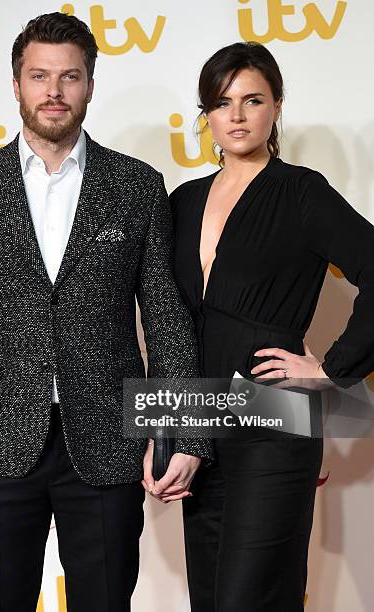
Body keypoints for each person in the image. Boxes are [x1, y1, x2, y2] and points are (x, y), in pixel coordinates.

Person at [0, 12, 211, 612]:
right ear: (17, 84)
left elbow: (165, 318)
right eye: (39, 76)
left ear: (90, 84)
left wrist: (185, 430)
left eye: (69, 77)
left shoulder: (136, 185)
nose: (54, 92)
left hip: (107, 445)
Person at [164, 41, 374, 611]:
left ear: (276, 107)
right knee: (207, 597)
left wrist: (331, 369)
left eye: (251, 100)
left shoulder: (301, 192)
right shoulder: (181, 201)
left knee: (250, 598)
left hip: (275, 414)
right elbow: (167, 320)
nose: (235, 115)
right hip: (198, 421)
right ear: (205, 113)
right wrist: (165, 432)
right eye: (222, 102)